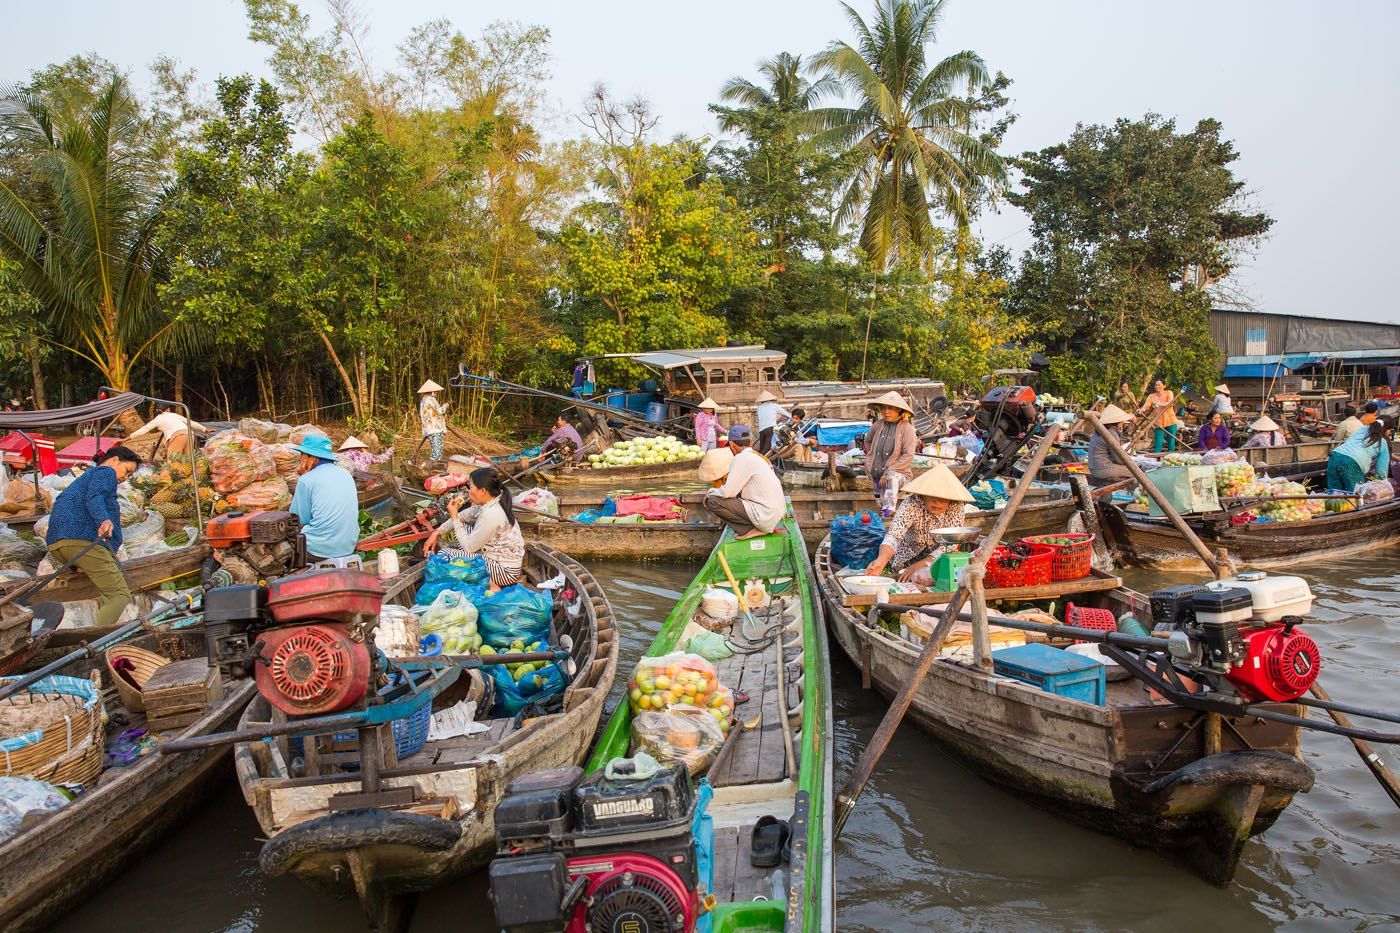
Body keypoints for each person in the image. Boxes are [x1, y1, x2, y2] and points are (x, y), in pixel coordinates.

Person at [45, 446, 142, 627]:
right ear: (114, 460)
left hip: (60, 545)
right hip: (81, 541)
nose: (125, 478)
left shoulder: (88, 477)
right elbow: (94, 497)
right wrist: (104, 520)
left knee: (110, 593)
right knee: (119, 595)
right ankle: (95, 645)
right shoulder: (105, 472)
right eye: (127, 470)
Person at [862, 464, 975, 583]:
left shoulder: (956, 506)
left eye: (943, 499)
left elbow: (951, 543)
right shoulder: (911, 503)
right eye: (933, 498)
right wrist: (881, 561)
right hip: (906, 558)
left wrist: (921, 565)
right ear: (923, 495)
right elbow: (894, 535)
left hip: (939, 559)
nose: (937, 503)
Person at [424, 468, 525, 590]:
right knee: (462, 527)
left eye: (471, 487)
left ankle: (492, 584)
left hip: (504, 571)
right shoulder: (490, 502)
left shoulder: (491, 514)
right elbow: (463, 517)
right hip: (495, 557)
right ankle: (483, 578)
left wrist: (454, 516)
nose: (468, 491)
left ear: (482, 491)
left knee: (445, 554)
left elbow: (469, 547)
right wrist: (437, 532)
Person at [287, 434, 360, 562]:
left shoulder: (306, 480)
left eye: (302, 455)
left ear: (312, 458)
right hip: (348, 546)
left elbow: (297, 518)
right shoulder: (346, 474)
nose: (300, 459)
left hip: (318, 550)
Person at [705, 426, 785, 539]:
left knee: (713, 500)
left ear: (732, 445)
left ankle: (750, 530)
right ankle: (758, 527)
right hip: (774, 514)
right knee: (722, 496)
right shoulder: (757, 457)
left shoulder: (741, 458)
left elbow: (728, 493)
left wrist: (710, 492)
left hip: (766, 516)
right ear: (751, 442)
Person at [864, 391, 918, 516]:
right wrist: (870, 456)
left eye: (890, 409)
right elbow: (868, 440)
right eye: (884, 408)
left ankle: (889, 511)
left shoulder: (907, 429)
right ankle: (884, 515)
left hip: (899, 475)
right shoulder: (878, 425)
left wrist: (889, 471)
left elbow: (908, 455)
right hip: (877, 473)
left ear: (899, 410)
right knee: (880, 504)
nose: (886, 412)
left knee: (891, 479)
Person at [1327, 418, 1391, 492]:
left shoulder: (1362, 429)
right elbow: (1381, 471)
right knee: (1357, 495)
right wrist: (1383, 483)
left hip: (1335, 456)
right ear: (1386, 430)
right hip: (1351, 463)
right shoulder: (1382, 442)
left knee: (1335, 493)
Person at [1086, 404, 1134, 484]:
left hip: (1093, 468)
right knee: (1137, 472)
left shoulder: (1099, 430)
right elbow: (1119, 459)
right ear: (1118, 422)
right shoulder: (1111, 432)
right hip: (1103, 469)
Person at [127, 410, 207, 458]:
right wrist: (204, 429)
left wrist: (127, 438)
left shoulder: (157, 419)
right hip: (189, 434)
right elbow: (189, 422)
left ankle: (172, 482)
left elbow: (143, 429)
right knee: (189, 460)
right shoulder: (173, 415)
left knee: (173, 461)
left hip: (178, 435)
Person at [1138, 379, 1179, 452]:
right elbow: (1146, 406)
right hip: (1158, 422)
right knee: (1158, 441)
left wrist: (1159, 404)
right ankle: (1156, 458)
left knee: (1171, 441)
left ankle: (1171, 456)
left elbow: (1170, 403)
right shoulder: (1151, 396)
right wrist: (1141, 410)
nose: (1157, 386)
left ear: (1164, 386)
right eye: (1156, 385)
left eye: (1159, 385)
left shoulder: (1169, 393)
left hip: (1170, 421)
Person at [418, 380, 449, 461]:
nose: (437, 393)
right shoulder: (430, 400)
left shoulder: (424, 400)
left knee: (437, 449)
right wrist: (445, 406)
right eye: (436, 392)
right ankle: (432, 467)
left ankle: (435, 467)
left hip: (431, 428)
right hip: (434, 428)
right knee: (437, 451)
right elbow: (438, 412)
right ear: (432, 391)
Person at [754, 390, 791, 456]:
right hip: (770, 429)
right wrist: (792, 417)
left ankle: (760, 459)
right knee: (766, 449)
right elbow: (787, 414)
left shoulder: (759, 407)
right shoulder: (774, 406)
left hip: (762, 430)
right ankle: (760, 461)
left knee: (762, 448)